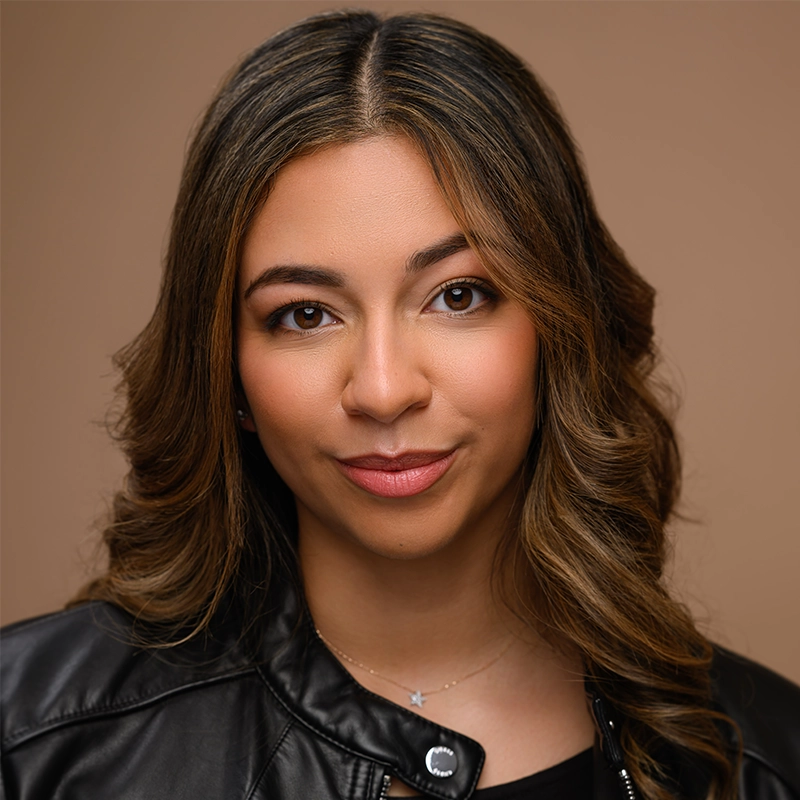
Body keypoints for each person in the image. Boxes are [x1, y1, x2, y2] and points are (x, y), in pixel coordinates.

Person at [1, 9, 798, 800]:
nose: (383, 391)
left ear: (561, 331)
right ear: (226, 370)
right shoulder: (30, 742)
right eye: (304, 314)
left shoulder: (766, 761)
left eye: (457, 296)